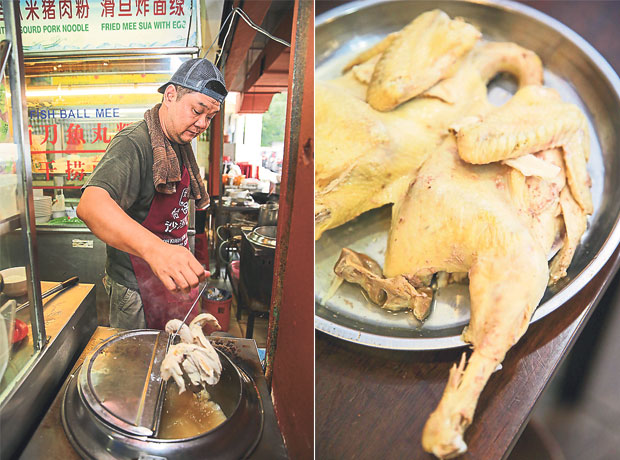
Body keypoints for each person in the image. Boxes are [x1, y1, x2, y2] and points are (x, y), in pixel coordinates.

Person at [77, 58, 228, 330]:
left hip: (170, 282)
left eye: (210, 117)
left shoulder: (178, 143)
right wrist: (158, 250)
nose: (203, 123)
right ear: (170, 95)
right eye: (197, 110)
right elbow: (90, 206)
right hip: (136, 290)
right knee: (139, 367)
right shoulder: (134, 143)